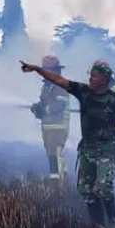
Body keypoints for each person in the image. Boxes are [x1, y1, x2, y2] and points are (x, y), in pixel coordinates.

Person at [20, 58, 115, 226]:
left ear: (104, 79)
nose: (90, 78)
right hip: (87, 149)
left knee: (104, 187)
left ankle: (113, 221)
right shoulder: (83, 91)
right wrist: (36, 69)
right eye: (90, 75)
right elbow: (58, 80)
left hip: (107, 149)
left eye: (94, 76)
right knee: (86, 189)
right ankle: (98, 226)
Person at [29, 54, 71, 185]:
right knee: (52, 156)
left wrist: (44, 109)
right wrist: (37, 109)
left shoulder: (60, 85)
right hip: (48, 127)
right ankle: (57, 181)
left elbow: (59, 105)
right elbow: (45, 105)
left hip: (58, 127)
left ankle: (59, 185)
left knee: (56, 156)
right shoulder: (47, 85)